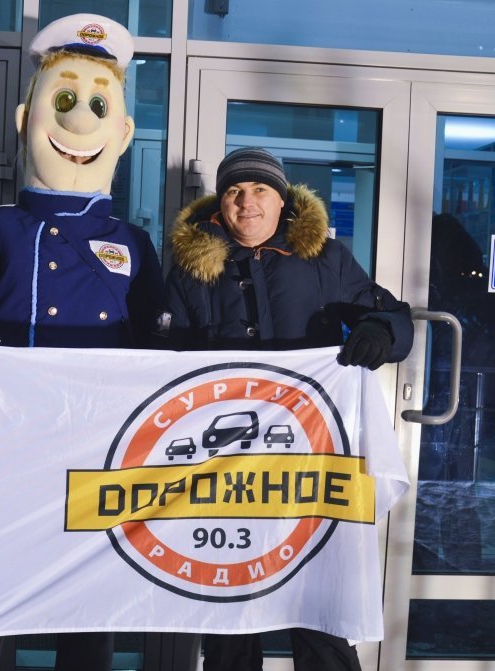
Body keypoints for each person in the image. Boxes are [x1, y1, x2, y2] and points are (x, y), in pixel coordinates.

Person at [0, 13, 165, 671]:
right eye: (65, 101)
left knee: (86, 598)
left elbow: (162, 341)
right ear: (28, 116)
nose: (80, 121)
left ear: (122, 132)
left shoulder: (134, 243)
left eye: (96, 105)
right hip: (9, 445)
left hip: (96, 450)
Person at [163, 146, 414, 671]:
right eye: (234, 190)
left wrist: (377, 328)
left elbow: (391, 315)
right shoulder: (191, 269)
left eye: (259, 190)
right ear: (220, 203)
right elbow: (164, 361)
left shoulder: (324, 257)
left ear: (282, 201)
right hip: (223, 464)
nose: (246, 202)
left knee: (318, 601)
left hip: (308, 458)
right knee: (230, 604)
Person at [414, 212, 495, 571]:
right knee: (458, 497)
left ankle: (424, 575)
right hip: (475, 404)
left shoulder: (436, 289)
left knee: (428, 496)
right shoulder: (482, 290)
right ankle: (457, 578)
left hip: (436, 405)